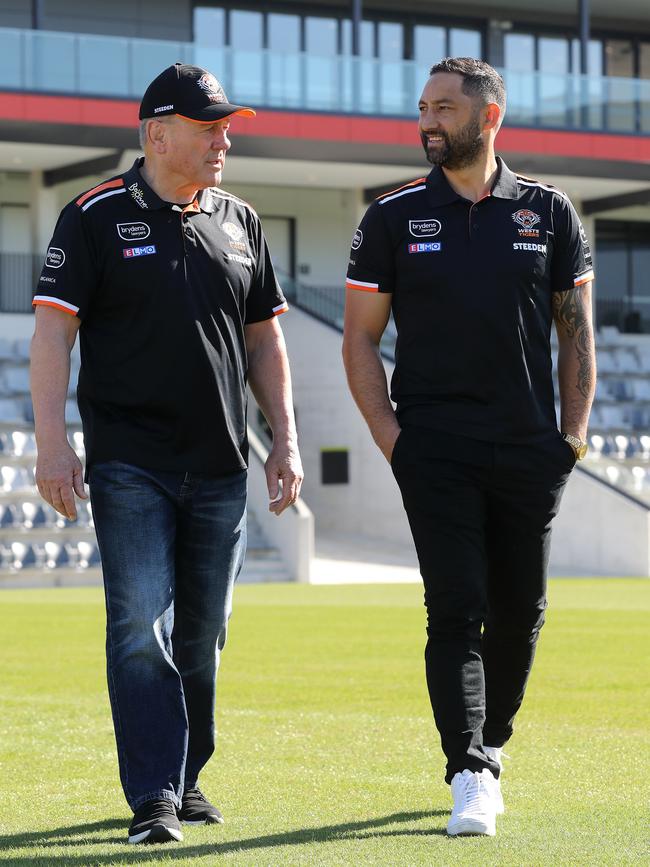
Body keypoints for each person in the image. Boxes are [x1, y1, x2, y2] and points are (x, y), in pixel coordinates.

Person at [30, 62, 303, 845]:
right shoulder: (91, 216)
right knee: (138, 625)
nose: (224, 139)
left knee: (203, 633)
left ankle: (186, 778)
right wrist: (54, 445)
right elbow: (53, 332)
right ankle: (152, 791)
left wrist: (284, 439)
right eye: (208, 125)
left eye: (227, 126)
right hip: (129, 463)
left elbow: (266, 340)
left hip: (222, 464)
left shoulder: (242, 221)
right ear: (156, 134)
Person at [342, 57, 595, 837]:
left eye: (445, 107)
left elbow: (574, 331)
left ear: (489, 117)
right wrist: (394, 442)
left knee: (521, 613)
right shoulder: (388, 218)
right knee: (456, 605)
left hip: (528, 449)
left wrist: (572, 439)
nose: (428, 120)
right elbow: (359, 341)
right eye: (423, 106)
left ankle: (492, 742)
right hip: (435, 449)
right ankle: (468, 768)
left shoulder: (549, 213)